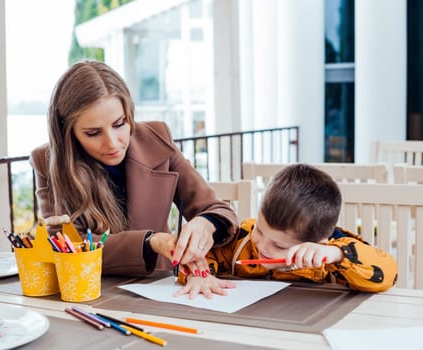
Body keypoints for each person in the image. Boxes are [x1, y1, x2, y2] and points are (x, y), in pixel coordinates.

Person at [30, 60, 238, 276]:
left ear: (129, 113)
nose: (112, 143)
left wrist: (206, 223)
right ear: (68, 133)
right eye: (93, 133)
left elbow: (220, 210)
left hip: (161, 287)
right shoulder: (46, 161)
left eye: (119, 124)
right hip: (91, 292)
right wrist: (150, 242)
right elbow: (64, 248)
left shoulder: (156, 138)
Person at [174, 163, 398, 298]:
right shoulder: (241, 240)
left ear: (319, 242)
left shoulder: (331, 255)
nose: (261, 245)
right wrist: (199, 275)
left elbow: (389, 273)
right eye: (260, 230)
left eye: (279, 245)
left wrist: (337, 255)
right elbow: (201, 256)